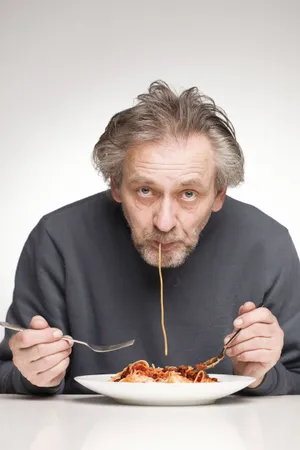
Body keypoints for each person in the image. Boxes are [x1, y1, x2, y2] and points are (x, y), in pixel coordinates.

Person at [0, 80, 299, 396]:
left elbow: (295, 377)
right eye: (145, 190)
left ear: (219, 194)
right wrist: (33, 376)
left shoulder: (268, 244)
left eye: (188, 193)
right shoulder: (57, 238)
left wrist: (261, 377)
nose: (165, 222)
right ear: (116, 186)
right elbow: (7, 372)